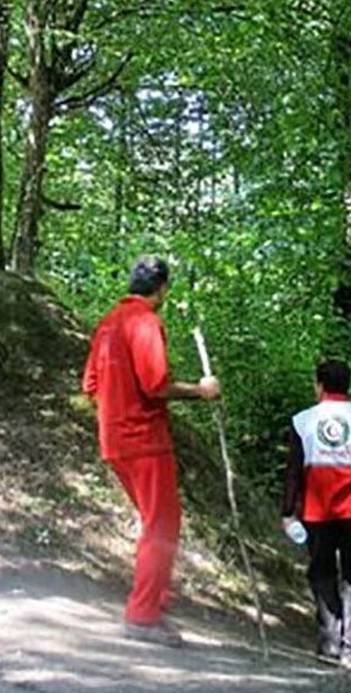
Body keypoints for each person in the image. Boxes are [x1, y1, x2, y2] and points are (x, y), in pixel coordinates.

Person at [82, 257, 221, 648]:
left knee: (154, 521)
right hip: (144, 440)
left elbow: (90, 384)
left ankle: (156, 598)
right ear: (160, 288)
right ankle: (142, 616)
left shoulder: (109, 322)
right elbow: (156, 385)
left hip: (114, 440)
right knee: (162, 525)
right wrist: (201, 390)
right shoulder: (144, 322)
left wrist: (114, 412)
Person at [282, 359, 351, 669]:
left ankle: (330, 642)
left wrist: (288, 510)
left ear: (319, 384)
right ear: (348, 385)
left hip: (318, 510)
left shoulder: (303, 420)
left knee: (322, 573)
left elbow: (293, 471)